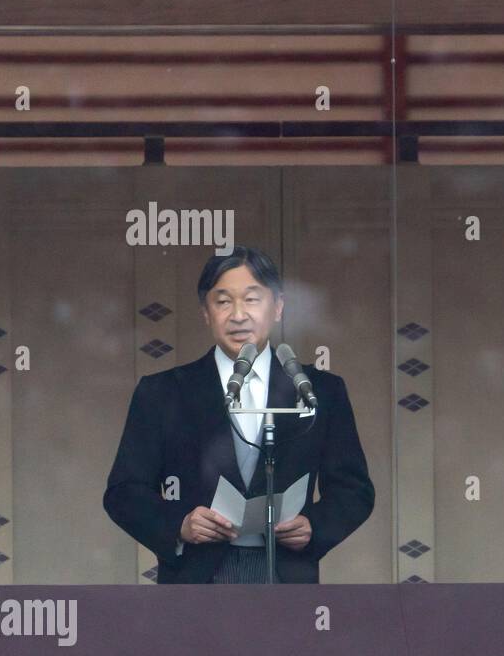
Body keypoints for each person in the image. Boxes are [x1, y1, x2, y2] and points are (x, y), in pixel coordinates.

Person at [103, 247, 374, 583]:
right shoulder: (163, 392)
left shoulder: (320, 391)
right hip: (195, 579)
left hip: (286, 575)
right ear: (205, 311)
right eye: (223, 301)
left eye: (252, 299)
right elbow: (124, 491)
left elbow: (353, 489)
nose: (238, 314)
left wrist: (314, 527)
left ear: (277, 307)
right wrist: (180, 524)